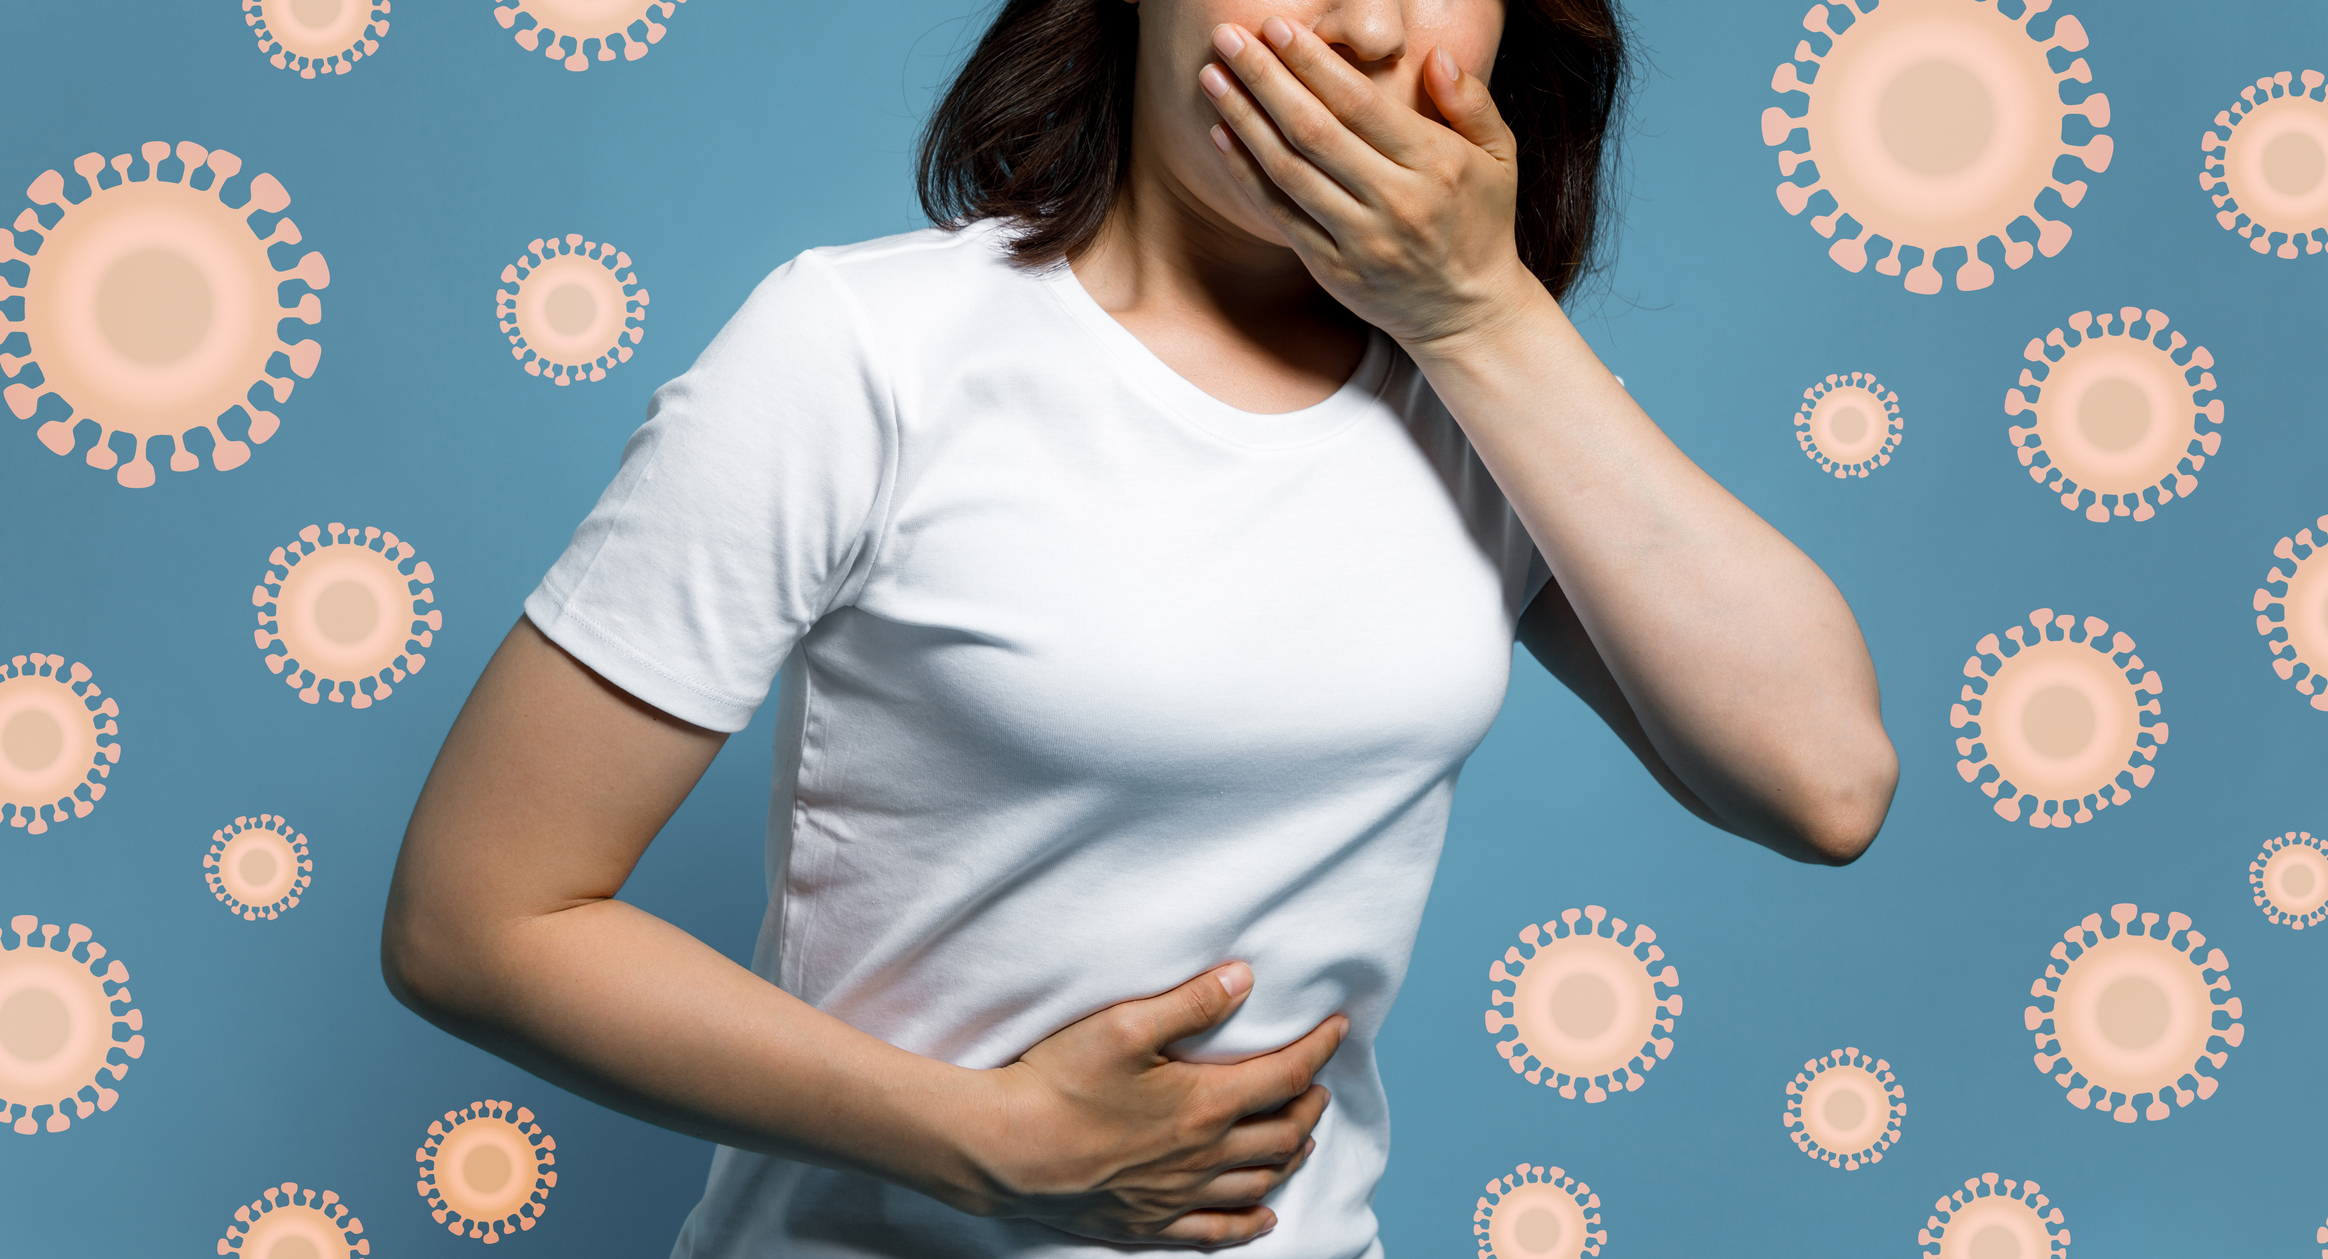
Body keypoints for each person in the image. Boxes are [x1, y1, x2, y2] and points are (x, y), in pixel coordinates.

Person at [381, 1, 1900, 1255]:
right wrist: (991, 1140)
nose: (1366, 29)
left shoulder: (1485, 386)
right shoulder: (864, 354)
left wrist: (1480, 316)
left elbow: (1821, 785)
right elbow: (476, 924)